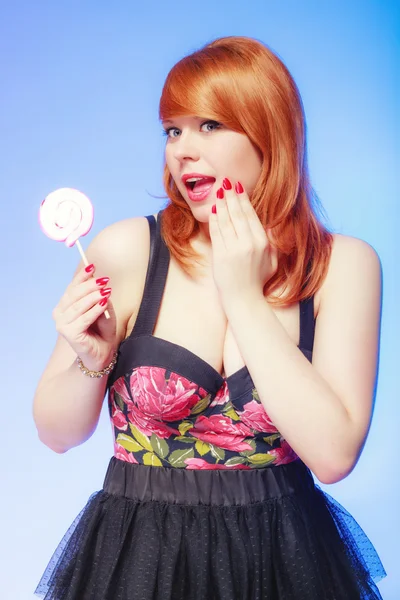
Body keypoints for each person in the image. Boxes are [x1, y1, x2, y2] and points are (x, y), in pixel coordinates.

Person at [33, 36, 386, 600]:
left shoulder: (341, 265)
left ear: (268, 132)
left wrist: (242, 295)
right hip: (138, 561)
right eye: (173, 129)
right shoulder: (129, 250)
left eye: (210, 126)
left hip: (283, 562)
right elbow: (56, 434)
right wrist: (91, 363)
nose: (182, 150)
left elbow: (334, 453)